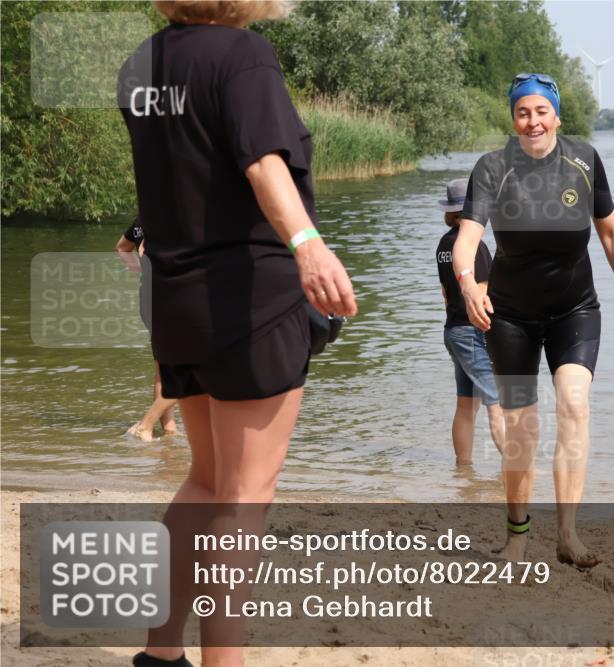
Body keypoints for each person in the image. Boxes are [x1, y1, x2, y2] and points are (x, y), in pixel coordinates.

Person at [118, 2, 356, 666]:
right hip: (249, 300)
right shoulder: (242, 54)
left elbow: (182, 172)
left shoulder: (140, 64)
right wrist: (309, 245)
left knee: (205, 481)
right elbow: (261, 162)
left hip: (176, 301)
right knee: (245, 496)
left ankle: (160, 654)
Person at [452, 73, 614, 568]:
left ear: (557, 116)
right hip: (510, 318)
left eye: (541, 111)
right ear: (513, 118)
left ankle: (567, 535)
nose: (533, 121)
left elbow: (611, 233)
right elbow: (468, 239)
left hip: (575, 310)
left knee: (574, 404)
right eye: (523, 112)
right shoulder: (492, 168)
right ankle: (517, 536)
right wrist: (469, 286)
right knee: (522, 431)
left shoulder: (585, 161)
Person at [436, 178, 504, 465]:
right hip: (473, 332)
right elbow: (483, 296)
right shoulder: (476, 247)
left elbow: (445, 293)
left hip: (453, 329)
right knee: (497, 402)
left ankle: (463, 469)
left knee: (466, 404)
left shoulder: (444, 245)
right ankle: (518, 468)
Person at [115, 216, 178, 442]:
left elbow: (122, 247)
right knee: (192, 369)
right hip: (170, 300)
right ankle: (145, 425)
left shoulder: (143, 219)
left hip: (151, 298)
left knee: (165, 367)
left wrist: (142, 272)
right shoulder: (178, 218)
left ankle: (169, 430)